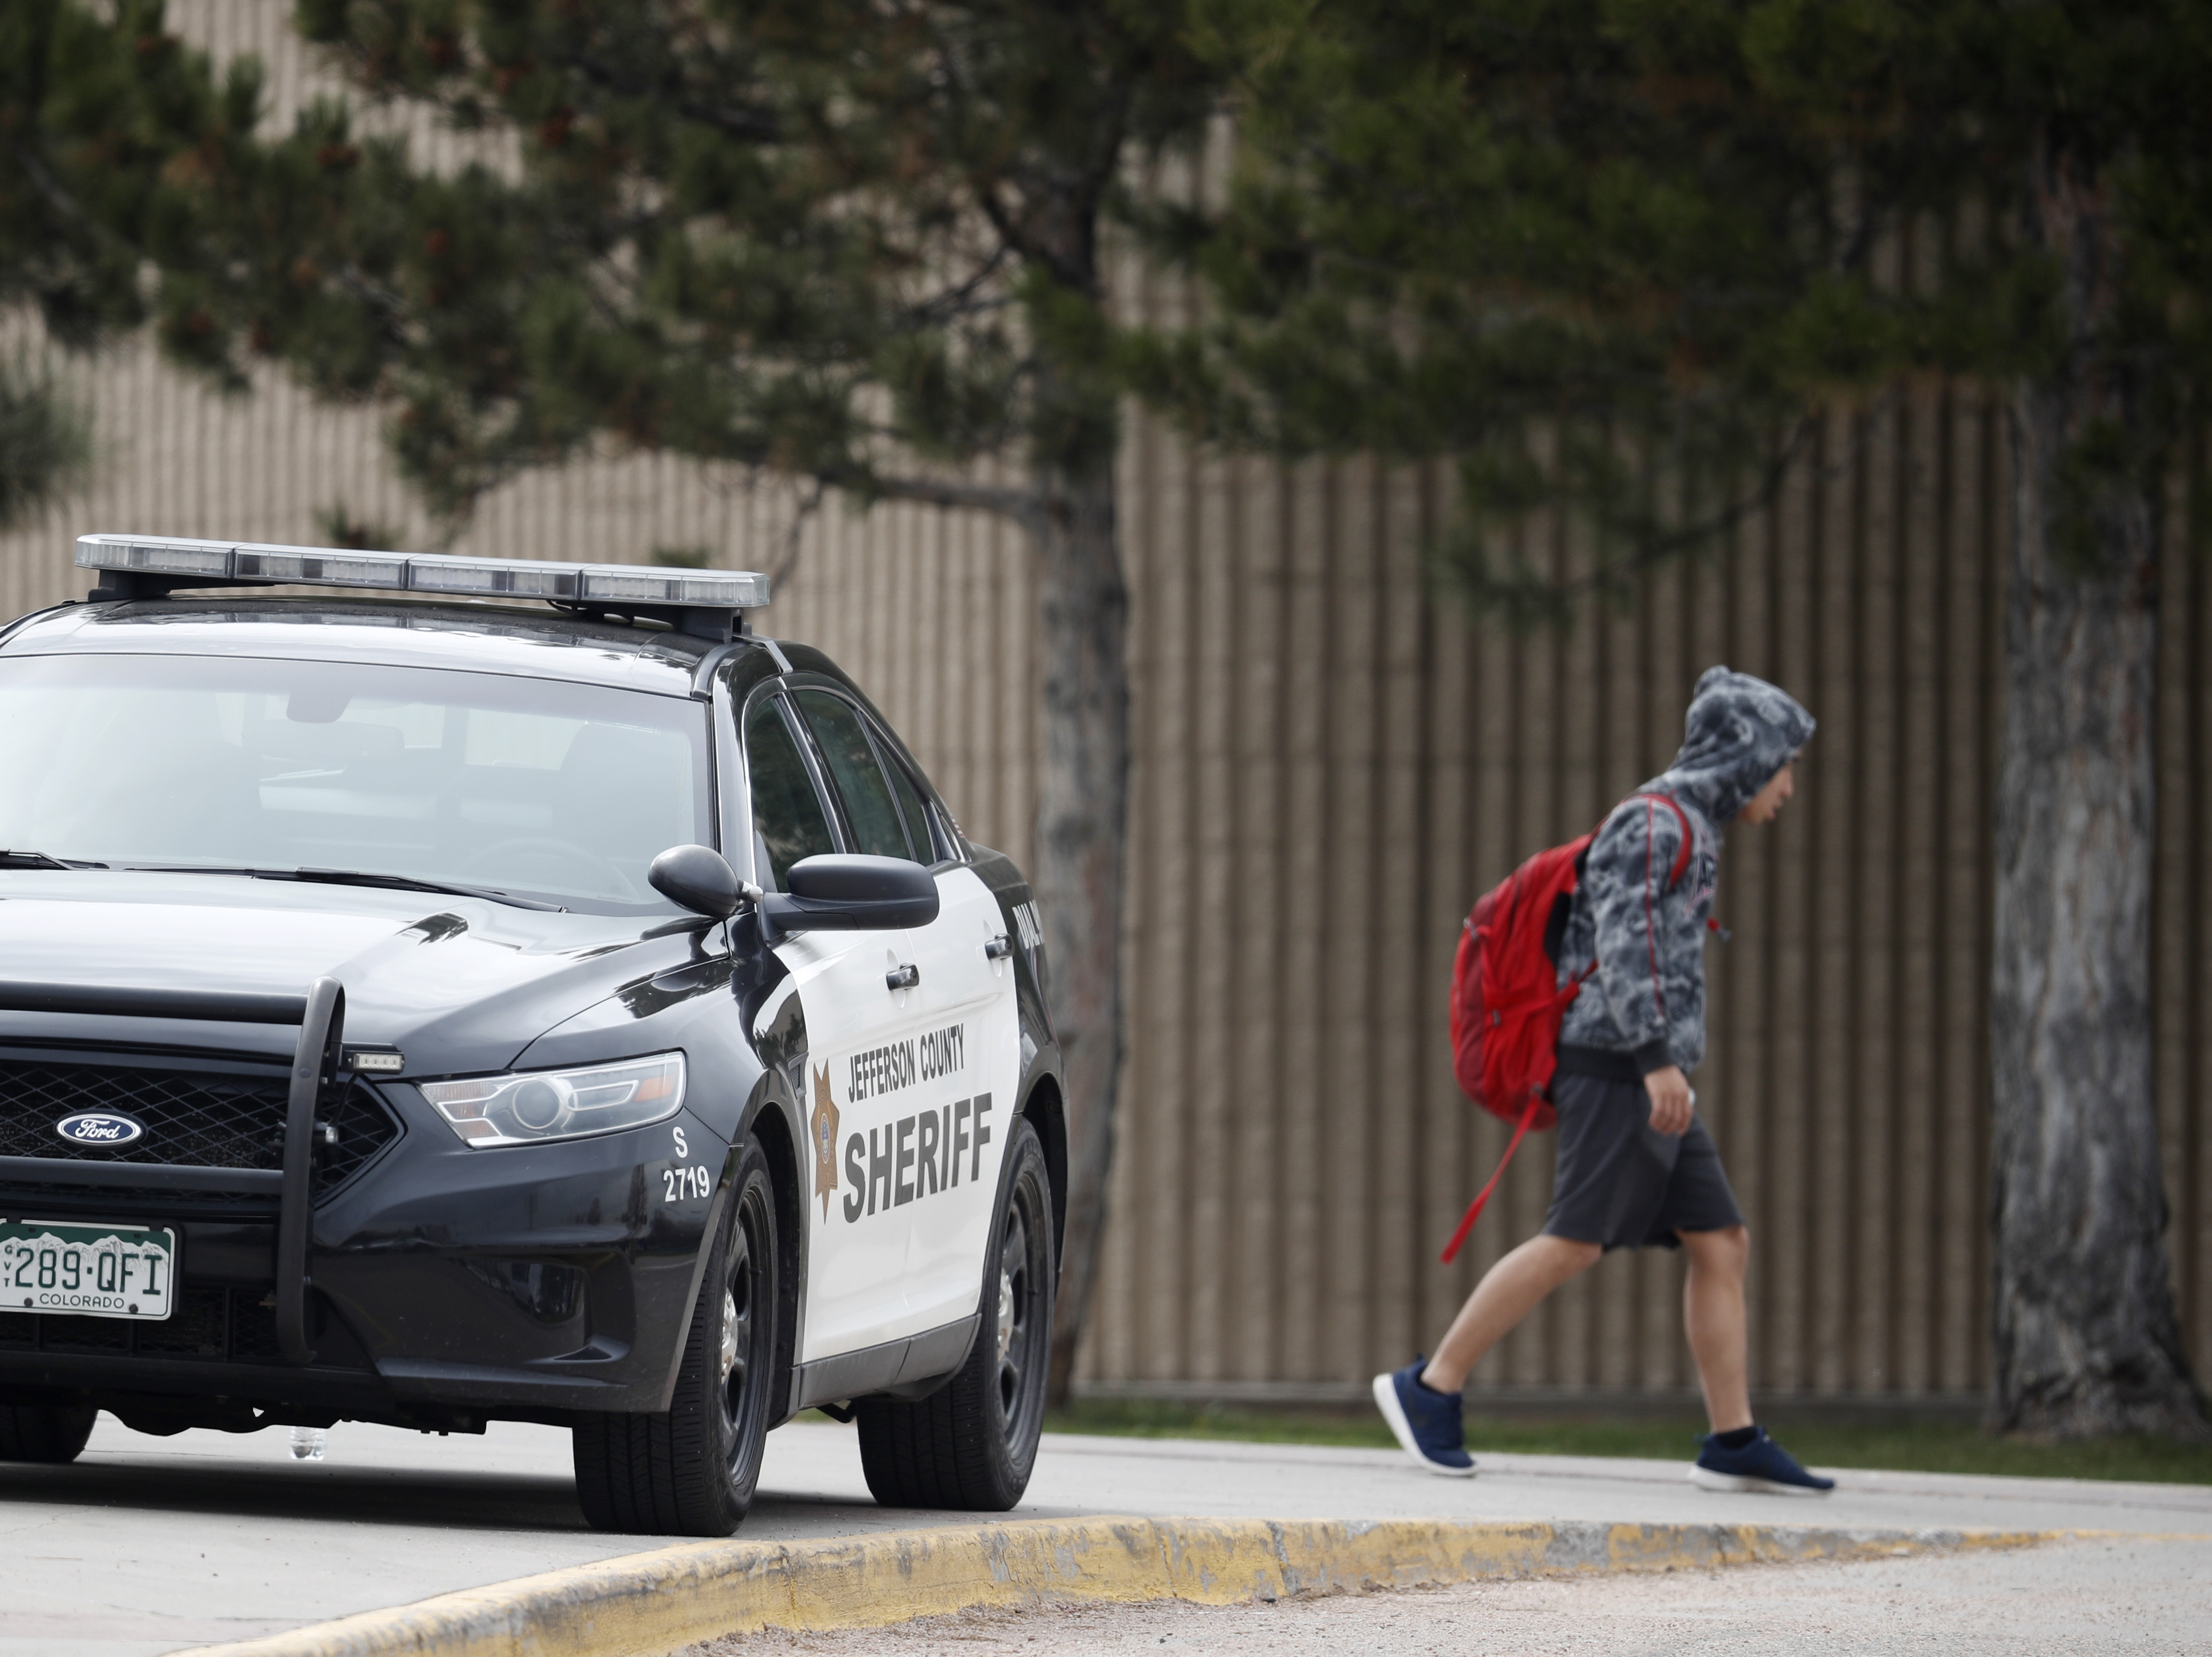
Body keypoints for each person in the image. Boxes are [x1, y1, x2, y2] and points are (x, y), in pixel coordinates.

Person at [1374, 666, 1831, 1495]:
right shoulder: (1654, 825)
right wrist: (1658, 1060)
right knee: (1574, 1241)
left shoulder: (1693, 826)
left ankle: (1732, 1440)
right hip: (1618, 1069)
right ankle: (1430, 1388)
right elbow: (1623, 950)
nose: (1789, 787)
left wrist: (1665, 1066)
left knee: (1722, 1242)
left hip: (1652, 1074)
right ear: (1742, 756)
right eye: (1783, 765)